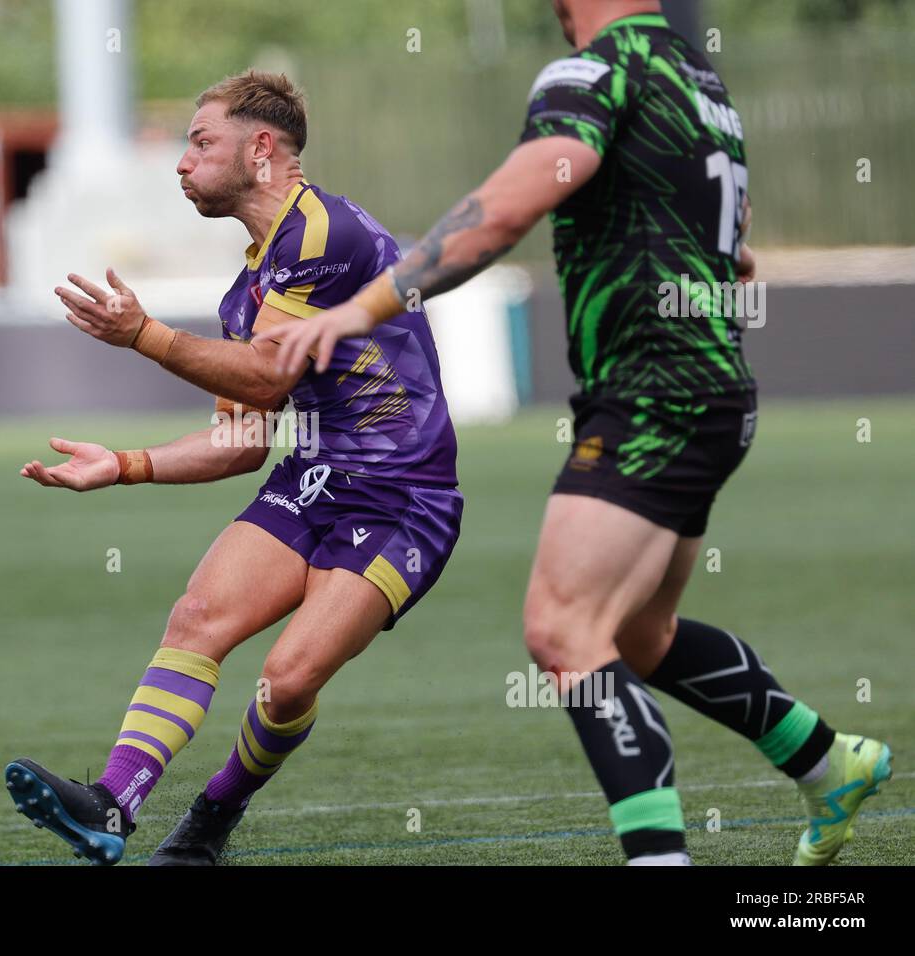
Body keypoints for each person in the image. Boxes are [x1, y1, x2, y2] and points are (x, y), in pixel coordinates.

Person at [273, 0, 891, 865]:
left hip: (651, 394)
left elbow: (502, 211)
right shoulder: (697, 77)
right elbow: (731, 242)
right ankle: (826, 763)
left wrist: (363, 306)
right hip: (704, 388)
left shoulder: (592, 71)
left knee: (563, 632)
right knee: (641, 634)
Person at [6, 70, 463, 865]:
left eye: (199, 141)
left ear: (261, 150)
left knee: (285, 682)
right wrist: (123, 464)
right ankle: (112, 804)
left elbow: (265, 376)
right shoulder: (245, 291)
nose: (182, 162)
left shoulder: (325, 232)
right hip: (313, 479)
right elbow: (244, 441)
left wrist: (143, 335)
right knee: (195, 620)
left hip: (403, 498)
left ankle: (213, 818)